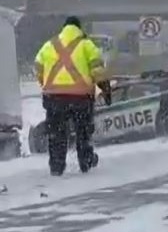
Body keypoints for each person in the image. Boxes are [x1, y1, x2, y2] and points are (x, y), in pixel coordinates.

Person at [34, 16, 111, 176]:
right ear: (79, 28)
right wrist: (105, 89)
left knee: (56, 133)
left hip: (54, 98)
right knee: (83, 131)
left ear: (64, 28)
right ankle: (85, 161)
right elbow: (97, 71)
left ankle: (57, 166)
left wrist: (46, 84)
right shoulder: (87, 45)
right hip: (80, 98)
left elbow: (38, 67)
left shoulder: (49, 45)